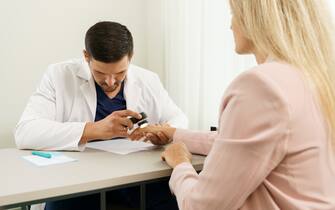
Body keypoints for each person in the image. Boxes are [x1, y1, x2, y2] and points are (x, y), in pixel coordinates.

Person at [134, 0, 335, 209]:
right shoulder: (315, 76)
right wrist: (174, 134)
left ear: (255, 19)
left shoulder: (261, 85)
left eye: (233, 13)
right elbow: (241, 145)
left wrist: (180, 164)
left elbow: (201, 206)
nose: (231, 25)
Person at [15, 21, 185, 210]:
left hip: (135, 176)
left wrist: (164, 132)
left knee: (173, 201)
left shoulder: (147, 79)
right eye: (100, 73)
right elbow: (25, 132)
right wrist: (93, 129)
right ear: (86, 56)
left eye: (120, 72)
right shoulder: (59, 75)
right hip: (77, 179)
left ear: (131, 57)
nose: (111, 81)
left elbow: (179, 119)